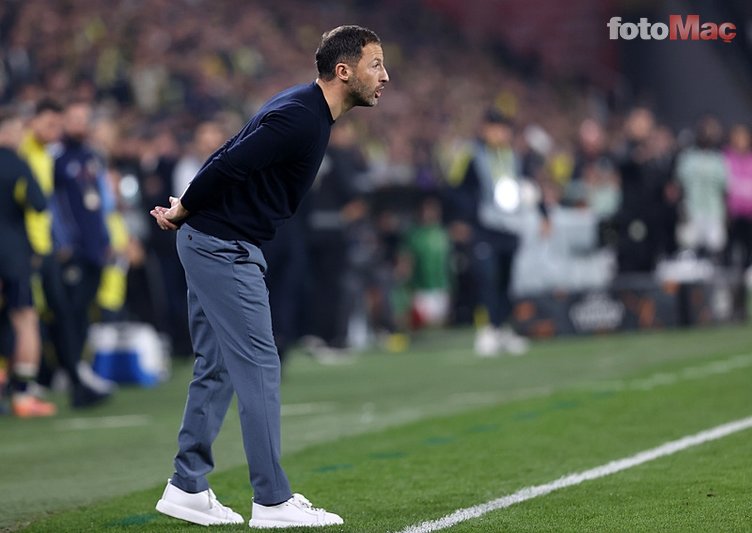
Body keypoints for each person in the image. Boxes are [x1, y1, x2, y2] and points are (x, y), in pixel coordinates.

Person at [150, 25, 388, 528]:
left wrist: (187, 210)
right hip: (223, 247)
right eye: (376, 65)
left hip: (213, 241)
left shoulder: (304, 108)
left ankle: (187, 485)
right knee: (260, 365)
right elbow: (230, 160)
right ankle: (272, 500)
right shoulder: (303, 116)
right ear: (344, 71)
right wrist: (185, 207)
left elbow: (229, 150)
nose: (384, 76)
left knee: (216, 366)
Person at [446, 109, 548, 357]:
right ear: (485, 129)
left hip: (511, 228)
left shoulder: (514, 157)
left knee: (506, 280)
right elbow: (455, 189)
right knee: (487, 277)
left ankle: (502, 327)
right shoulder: (471, 156)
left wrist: (544, 213)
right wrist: (460, 220)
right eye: (495, 128)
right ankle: (487, 330)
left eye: (503, 129)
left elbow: (530, 185)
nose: (500, 134)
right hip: (484, 228)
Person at [0, 111, 56, 417]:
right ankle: (22, 395)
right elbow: (39, 203)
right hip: (12, 252)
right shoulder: (19, 164)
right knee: (25, 319)